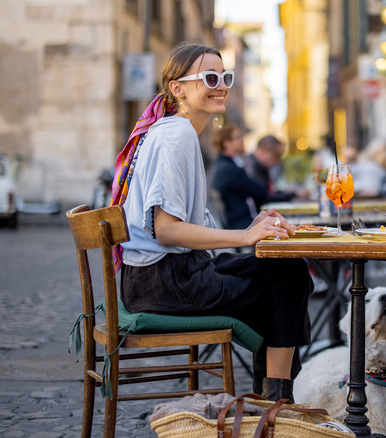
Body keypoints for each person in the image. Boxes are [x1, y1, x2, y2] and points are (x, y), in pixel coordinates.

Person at [110, 42, 312, 402]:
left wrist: (252, 226)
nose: (221, 85)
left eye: (225, 77)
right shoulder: (177, 134)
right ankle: (277, 402)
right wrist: (246, 235)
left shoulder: (174, 130)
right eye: (210, 77)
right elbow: (167, 229)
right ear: (178, 88)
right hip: (164, 282)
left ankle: (272, 397)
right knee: (288, 279)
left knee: (284, 269)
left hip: (162, 275)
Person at [211, 125, 269, 229]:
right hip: (241, 224)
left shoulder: (223, 164)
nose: (242, 140)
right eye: (237, 137)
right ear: (227, 143)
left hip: (239, 221)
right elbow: (260, 192)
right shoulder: (229, 169)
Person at [244, 135, 308, 207]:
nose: (279, 160)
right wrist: (293, 194)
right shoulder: (250, 168)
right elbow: (264, 198)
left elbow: (268, 194)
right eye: (277, 155)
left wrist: (288, 192)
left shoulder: (259, 166)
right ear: (264, 151)